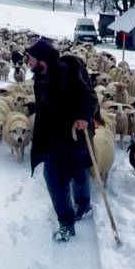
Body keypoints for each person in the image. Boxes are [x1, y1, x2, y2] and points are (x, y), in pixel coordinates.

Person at [26, 37, 99, 242]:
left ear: (42, 59)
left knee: (79, 173)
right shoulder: (40, 78)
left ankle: (83, 205)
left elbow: (90, 98)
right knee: (53, 180)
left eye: (31, 58)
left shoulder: (68, 75)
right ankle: (66, 223)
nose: (28, 62)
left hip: (74, 135)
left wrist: (84, 117)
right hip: (51, 138)